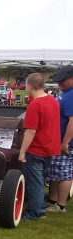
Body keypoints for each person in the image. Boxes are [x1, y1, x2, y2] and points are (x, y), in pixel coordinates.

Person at [18, 73, 61, 220]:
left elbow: (30, 132)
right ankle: (40, 207)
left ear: (30, 86)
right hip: (51, 147)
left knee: (34, 182)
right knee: (40, 179)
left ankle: (34, 212)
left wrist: (22, 152)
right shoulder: (53, 101)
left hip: (37, 148)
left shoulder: (35, 105)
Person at [46, 66, 73, 212]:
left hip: (66, 143)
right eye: (58, 82)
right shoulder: (65, 93)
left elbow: (72, 121)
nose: (59, 84)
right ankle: (53, 200)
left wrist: (65, 142)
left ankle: (60, 205)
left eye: (62, 81)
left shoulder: (71, 95)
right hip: (58, 140)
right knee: (55, 171)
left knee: (64, 173)